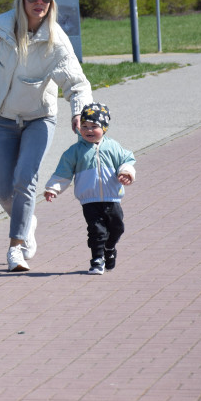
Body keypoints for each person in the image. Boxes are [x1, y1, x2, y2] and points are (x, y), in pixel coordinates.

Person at [0, 0, 93, 272]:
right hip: (4, 118)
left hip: (40, 118)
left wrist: (79, 111)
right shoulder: (0, 28)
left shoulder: (57, 40)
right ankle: (27, 221)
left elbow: (77, 83)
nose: (40, 2)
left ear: (52, 2)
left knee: (25, 179)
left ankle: (16, 248)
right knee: (3, 188)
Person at [44, 103, 136, 275]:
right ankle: (97, 260)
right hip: (89, 200)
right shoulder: (75, 151)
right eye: (85, 126)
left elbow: (127, 159)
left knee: (117, 228)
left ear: (104, 128)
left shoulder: (113, 146)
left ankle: (109, 248)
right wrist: (53, 188)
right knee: (96, 230)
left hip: (112, 198)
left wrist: (126, 172)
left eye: (94, 126)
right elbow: (63, 171)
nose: (89, 130)